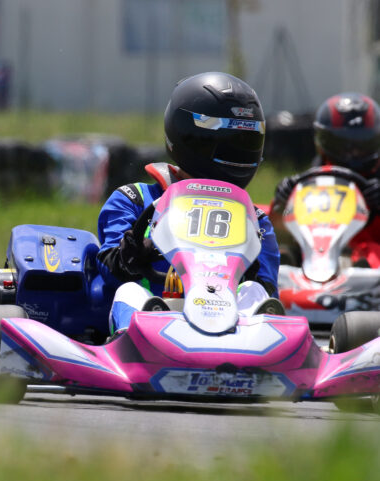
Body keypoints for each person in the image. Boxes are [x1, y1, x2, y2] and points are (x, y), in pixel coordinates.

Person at [96, 72, 282, 334]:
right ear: (189, 135)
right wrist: (134, 255)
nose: (239, 151)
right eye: (231, 142)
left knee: (254, 290)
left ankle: (265, 349)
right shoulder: (135, 200)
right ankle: (136, 342)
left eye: (246, 141)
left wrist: (245, 266)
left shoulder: (256, 220)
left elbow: (267, 285)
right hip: (156, 320)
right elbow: (106, 269)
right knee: (130, 291)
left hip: (230, 323)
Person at [273, 92, 380, 268]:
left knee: (371, 251)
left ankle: (363, 269)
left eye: (361, 144)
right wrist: (282, 200)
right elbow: (276, 227)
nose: (351, 152)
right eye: (341, 143)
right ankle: (284, 267)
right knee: (282, 249)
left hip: (366, 253)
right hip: (315, 247)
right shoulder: (312, 176)